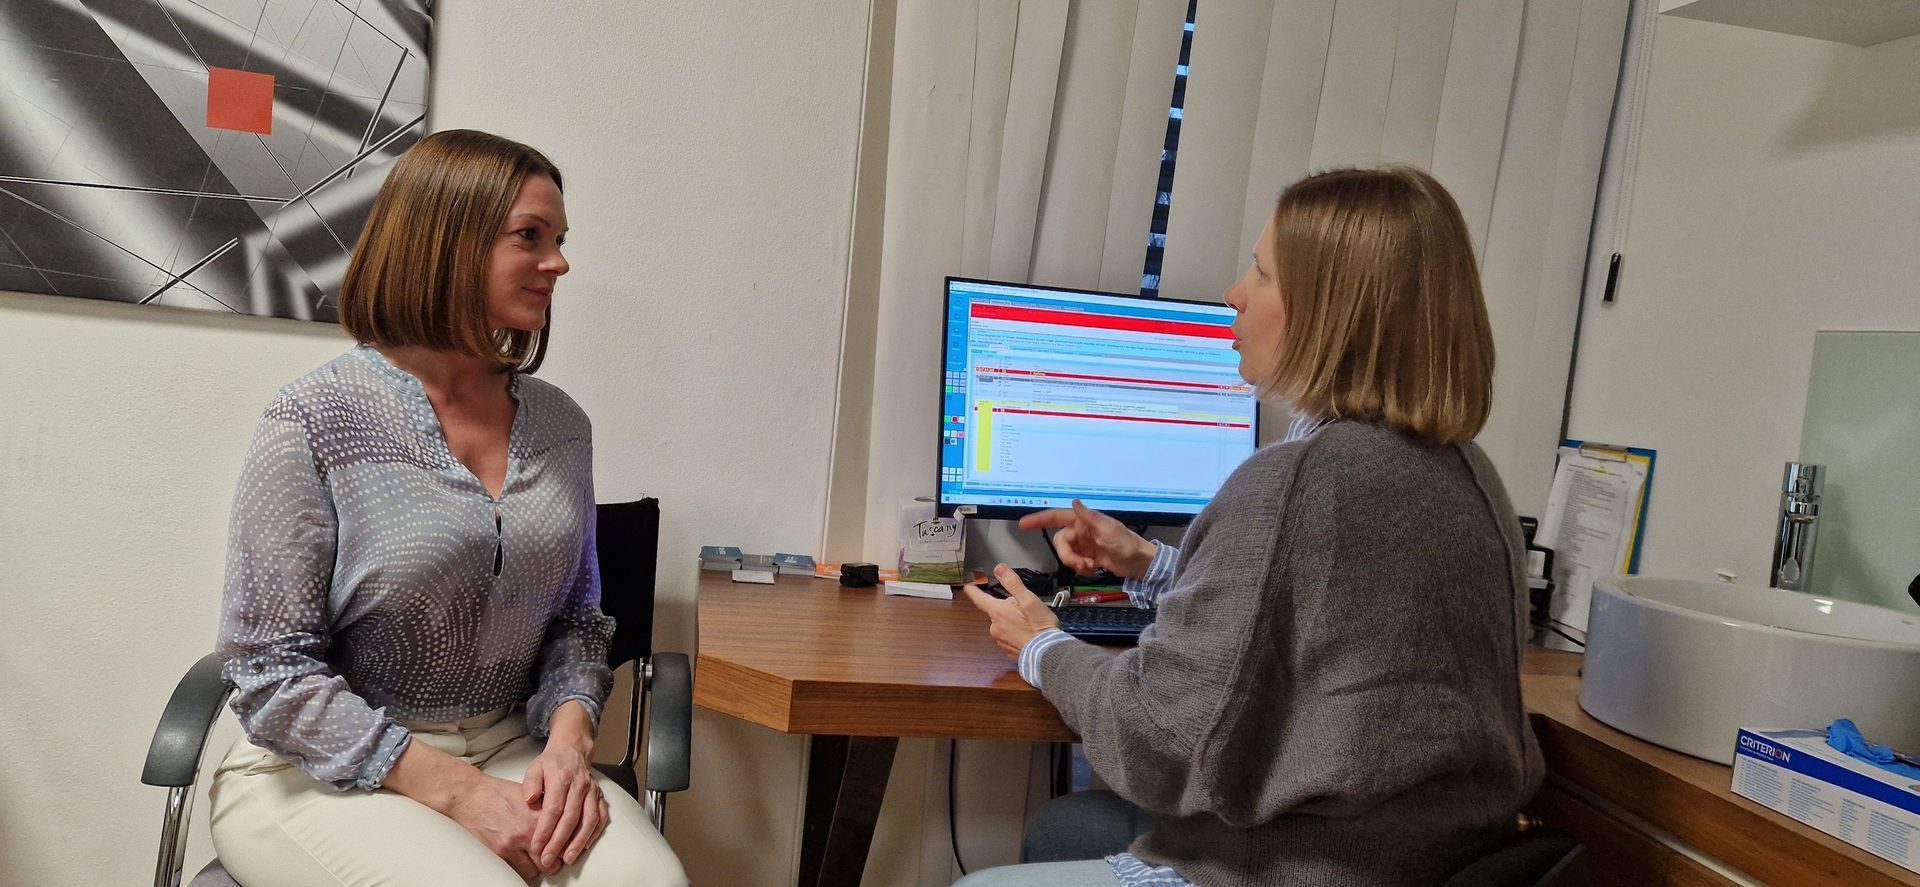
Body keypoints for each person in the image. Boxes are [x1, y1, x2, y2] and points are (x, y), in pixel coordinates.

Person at [960, 165, 1545, 887]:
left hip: (1300, 870)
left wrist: (1041, 645)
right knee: (1065, 828)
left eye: (1262, 274)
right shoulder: (1466, 470)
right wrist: (1149, 561)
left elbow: (1159, 739)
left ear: (1330, 311)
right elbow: (1322, 624)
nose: (1234, 294)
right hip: (1416, 860)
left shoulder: (1299, 478)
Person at [208, 129, 688, 887]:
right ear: (446, 241)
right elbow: (270, 670)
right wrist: (462, 795)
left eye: (560, 238)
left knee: (650, 881)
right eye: (530, 235)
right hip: (321, 768)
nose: (558, 261)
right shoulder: (315, 418)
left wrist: (568, 741)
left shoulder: (564, 426)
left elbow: (576, 619)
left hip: (509, 745)